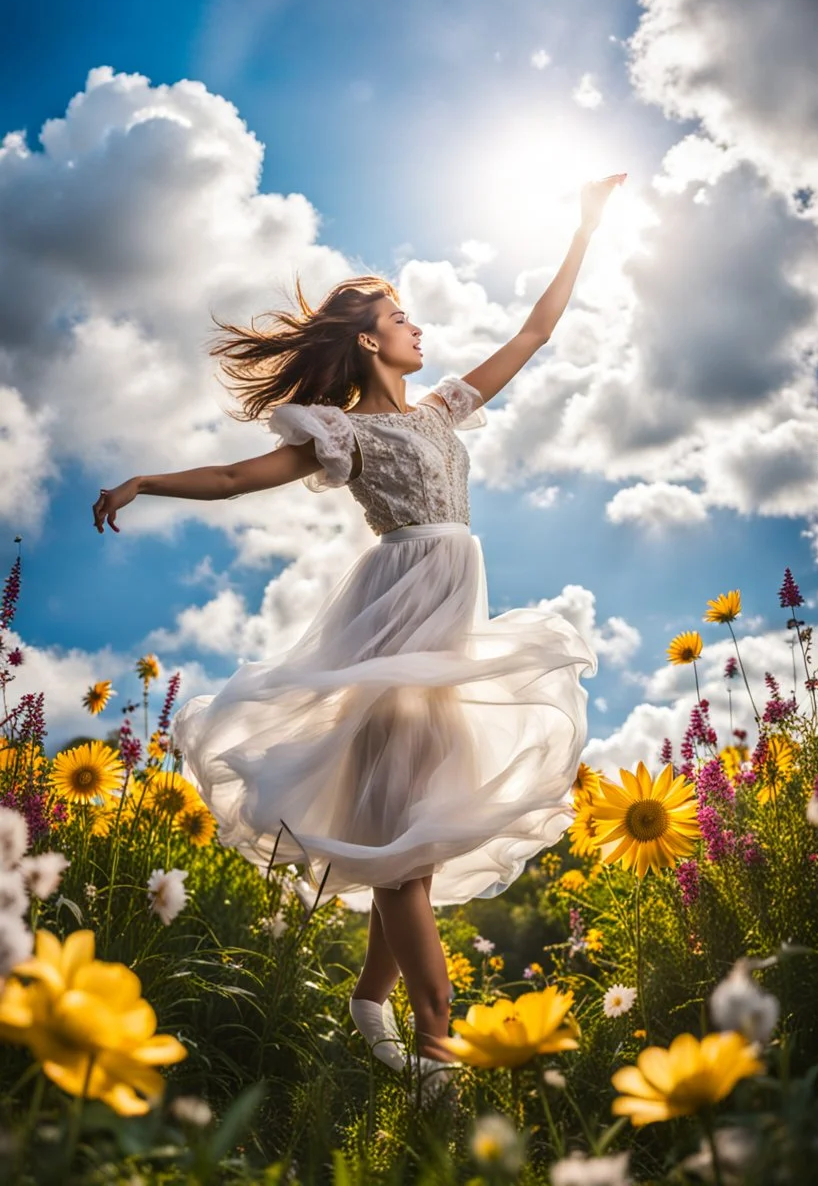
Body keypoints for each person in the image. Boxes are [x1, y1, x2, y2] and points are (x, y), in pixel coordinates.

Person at [92, 173, 625, 1092]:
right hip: (394, 635)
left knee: (409, 841)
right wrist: (145, 481)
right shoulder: (342, 434)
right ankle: (434, 1044)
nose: (418, 328)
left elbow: (534, 333)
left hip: (447, 647)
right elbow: (232, 477)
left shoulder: (442, 410)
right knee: (407, 856)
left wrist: (583, 228)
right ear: (370, 338)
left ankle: (370, 1000)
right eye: (402, 316)